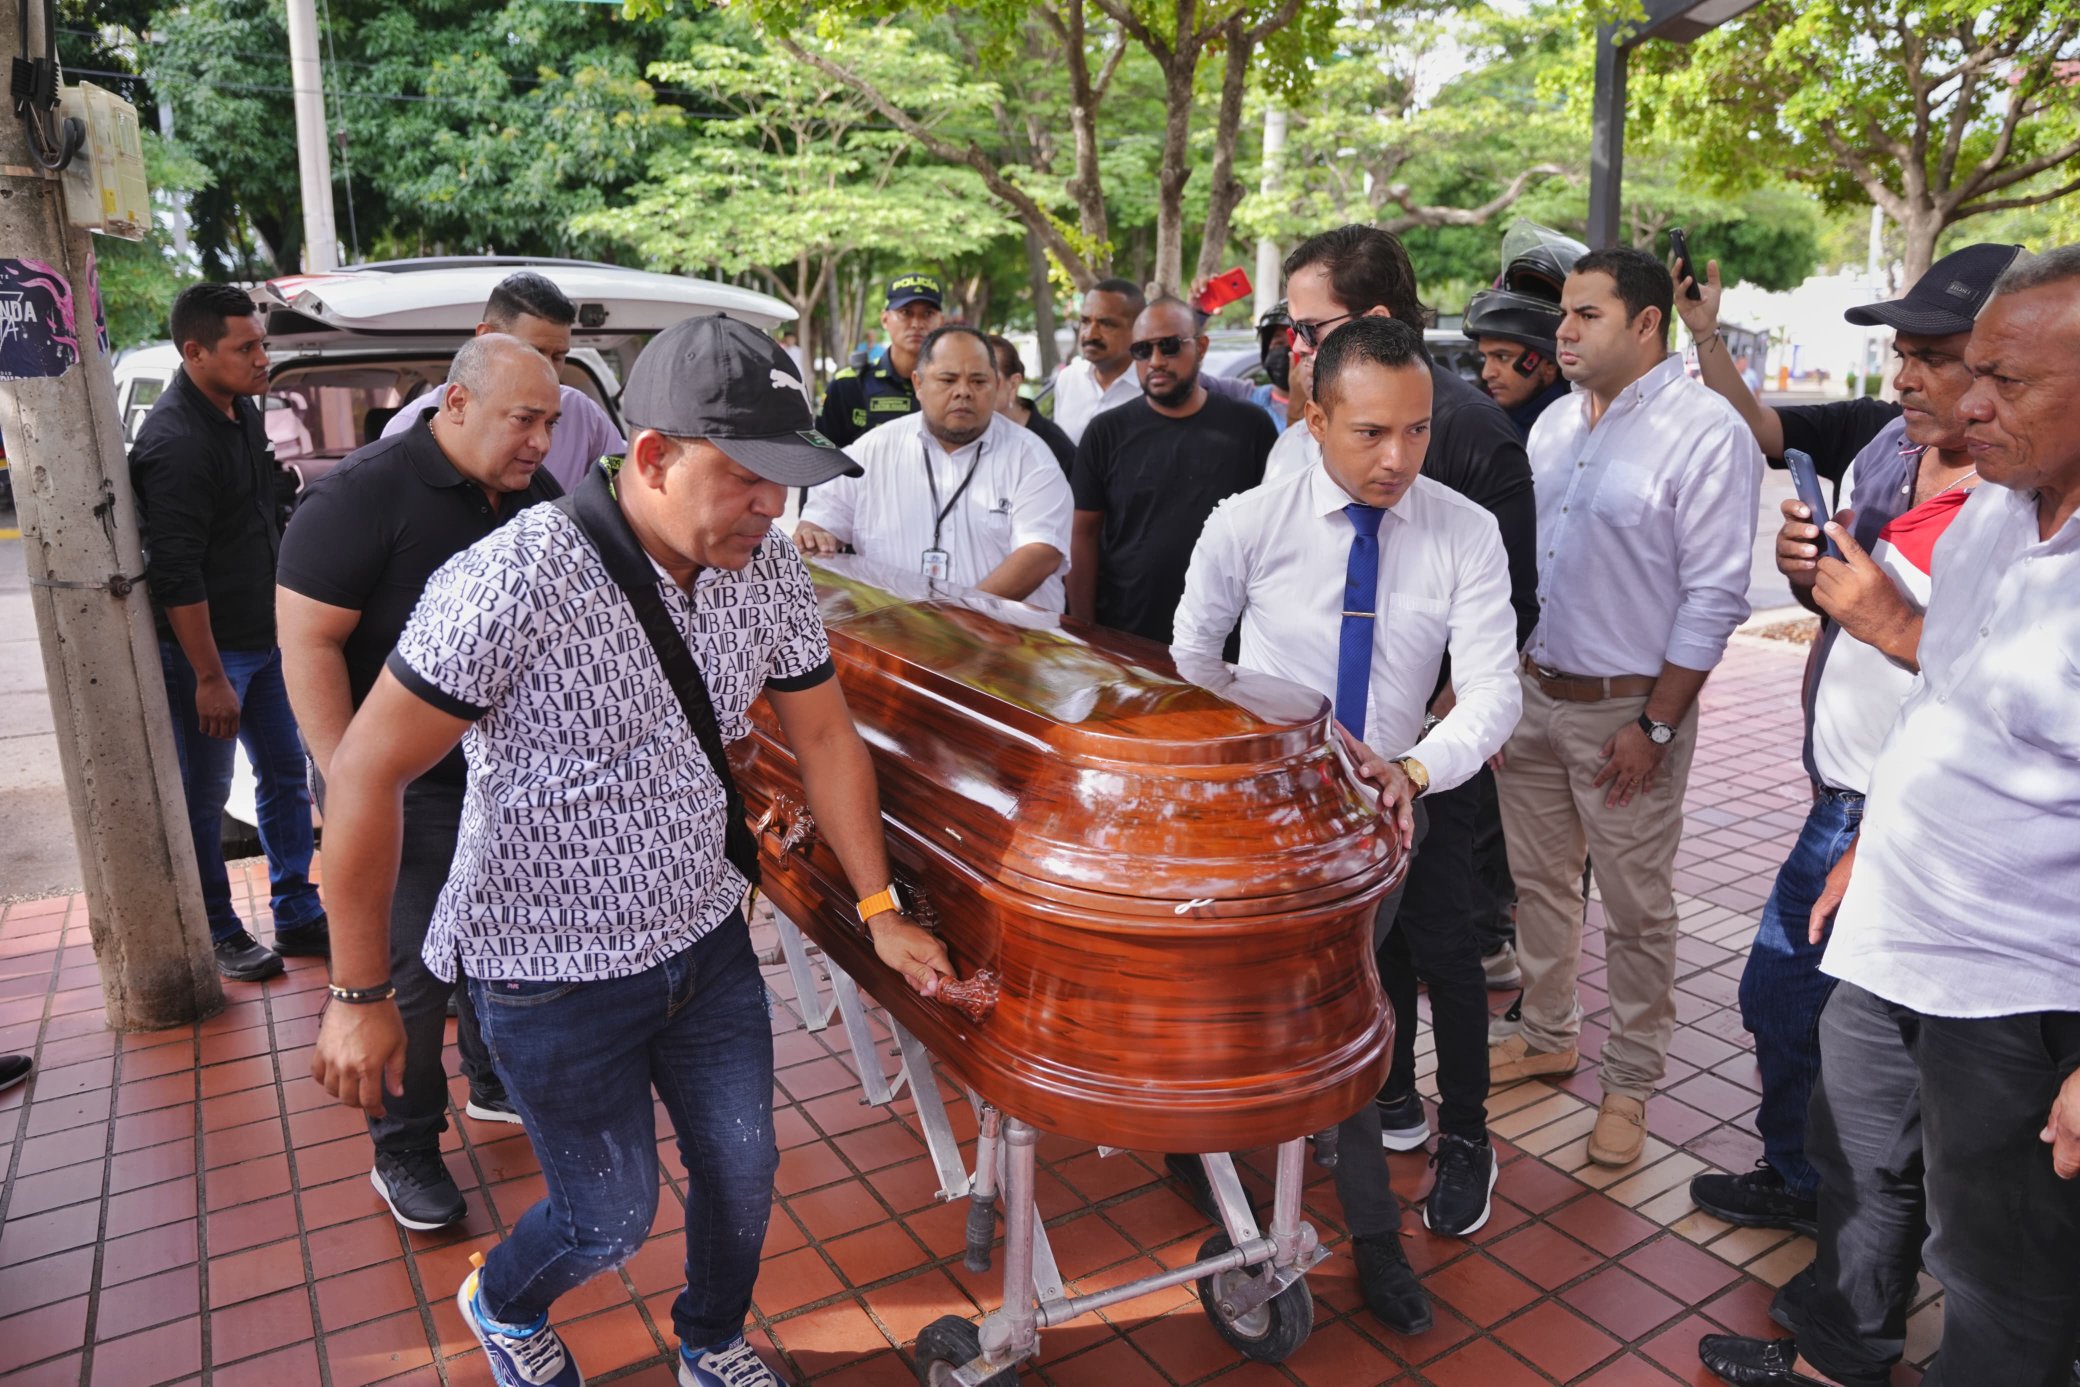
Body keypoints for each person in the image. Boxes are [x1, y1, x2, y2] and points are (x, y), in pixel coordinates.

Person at [309, 314, 955, 1387]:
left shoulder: (766, 572)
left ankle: (709, 1340)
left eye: (786, 481)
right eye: (749, 477)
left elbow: (825, 732)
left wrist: (881, 909)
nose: (773, 506)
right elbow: (368, 772)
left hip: (702, 939)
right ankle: (503, 1299)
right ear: (650, 457)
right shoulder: (513, 581)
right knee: (607, 1217)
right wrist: (357, 989)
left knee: (745, 1175)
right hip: (547, 969)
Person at [1700, 247, 2080, 1387]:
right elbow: (1952, 697)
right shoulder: (2000, 516)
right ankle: (1838, 1357)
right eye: (1966, 371)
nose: (1967, 403)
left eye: (2002, 381)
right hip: (1896, 923)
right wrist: (1872, 842)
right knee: (1857, 1159)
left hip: (2018, 984)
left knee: (1996, 1265)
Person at [1173, 316, 1520, 1326]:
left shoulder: (1463, 530)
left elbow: (1494, 691)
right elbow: (1191, 659)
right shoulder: (1247, 521)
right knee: (1239, 1014)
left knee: (1351, 1033)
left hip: (1384, 823)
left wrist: (1413, 769)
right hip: (1265, 819)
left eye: (1416, 431)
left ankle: (1372, 1241)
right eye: (1370, 432)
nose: (1397, 458)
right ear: (1310, 414)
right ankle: (1203, 1159)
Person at [1675, 243, 2022, 1237]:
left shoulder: (2029, 505)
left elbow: (2012, 693)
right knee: (1784, 1003)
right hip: (1843, 802)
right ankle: (1809, 1187)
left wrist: (1892, 625)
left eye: (1937, 355)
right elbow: (1762, 431)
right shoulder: (1885, 447)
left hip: (1922, 817)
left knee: (1866, 1043)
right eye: (1902, 352)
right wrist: (1806, 578)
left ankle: (1862, 1236)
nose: (1906, 376)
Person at [279, 335, 566, 1230]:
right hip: (399, 786)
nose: (541, 443)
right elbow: (309, 640)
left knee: (504, 947)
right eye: (525, 420)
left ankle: (489, 1081)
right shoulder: (361, 495)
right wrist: (346, 778)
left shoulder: (537, 499)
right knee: (407, 980)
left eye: (551, 424)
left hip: (506, 783)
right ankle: (403, 1146)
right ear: (455, 404)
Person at [1270, 225, 1539, 1169]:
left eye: (1311, 328)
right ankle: (1383, 1101)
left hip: (1428, 755)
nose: (1296, 347)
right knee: (1358, 946)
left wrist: (1419, 749)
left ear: (1375, 322)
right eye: (1295, 333)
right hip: (1325, 763)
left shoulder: (1476, 441)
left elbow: (1511, 613)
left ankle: (1465, 1131)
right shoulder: (1303, 439)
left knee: (1439, 947)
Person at [1490, 246, 1761, 1168]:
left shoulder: (1704, 430)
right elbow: (1526, 570)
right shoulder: (1555, 427)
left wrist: (1655, 725)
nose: (1562, 331)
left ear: (1647, 323)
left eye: (1586, 315)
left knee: (1637, 910)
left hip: (1626, 718)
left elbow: (1716, 596)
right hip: (1534, 696)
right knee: (1538, 886)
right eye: (1563, 313)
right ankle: (1548, 1029)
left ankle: (1632, 1083)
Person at [129, 283, 328, 983]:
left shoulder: (238, 409)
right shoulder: (174, 442)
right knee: (205, 799)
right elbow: (176, 572)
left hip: (265, 638)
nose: (261, 357)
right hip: (207, 656)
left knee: (285, 776)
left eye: (262, 343)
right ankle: (218, 929)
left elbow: (259, 501)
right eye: (245, 347)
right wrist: (210, 675)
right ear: (195, 351)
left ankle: (298, 911)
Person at [1457, 221, 1586, 995]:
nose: (1491, 370)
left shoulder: (1573, 429)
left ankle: (1519, 954)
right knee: (1488, 815)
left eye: (1509, 359)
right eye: (1485, 357)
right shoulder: (1486, 426)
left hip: (1567, 664)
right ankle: (1492, 936)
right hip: (1508, 656)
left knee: (1550, 841)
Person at [795, 326, 1074, 611]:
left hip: (1009, 645)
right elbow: (821, 518)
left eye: (979, 381)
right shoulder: (874, 449)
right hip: (895, 640)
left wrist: (958, 618)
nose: (963, 392)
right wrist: (814, 531)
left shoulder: (1032, 458)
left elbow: (1041, 552)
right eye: (948, 379)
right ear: (918, 383)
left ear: (997, 385)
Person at [1066, 297, 1278, 642]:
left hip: (1227, 640)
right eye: (1142, 350)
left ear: (1202, 347)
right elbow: (1082, 535)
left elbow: (1272, 537)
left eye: (1169, 346)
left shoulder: (1250, 427)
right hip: (1127, 638)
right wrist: (1085, 633)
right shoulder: (1105, 433)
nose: (1156, 361)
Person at [380, 272, 623, 493]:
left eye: (559, 356)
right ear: (485, 337)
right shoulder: (408, 429)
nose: (547, 368)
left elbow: (627, 488)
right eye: (533, 352)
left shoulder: (582, 415)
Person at [816, 273, 945, 447]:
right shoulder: (849, 385)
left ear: (941, 321)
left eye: (928, 313)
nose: (917, 323)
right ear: (885, 319)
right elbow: (823, 457)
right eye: (905, 313)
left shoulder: (955, 386)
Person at [1053, 279, 1147, 444]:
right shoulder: (1068, 379)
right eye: (1086, 321)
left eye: (1106, 324)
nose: (1090, 335)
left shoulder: (1152, 386)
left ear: (1138, 329)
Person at [984, 333, 1075, 472]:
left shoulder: (1054, 447)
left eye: (982, 380)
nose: (967, 390)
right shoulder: (964, 436)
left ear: (1013, 384)